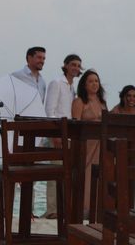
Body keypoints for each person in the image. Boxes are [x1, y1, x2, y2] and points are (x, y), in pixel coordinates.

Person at [43, 53, 82, 219]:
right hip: (58, 135)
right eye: (73, 64)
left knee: (66, 173)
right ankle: (52, 210)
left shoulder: (73, 88)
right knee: (55, 172)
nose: (75, 68)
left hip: (70, 136)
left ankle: (63, 208)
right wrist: (55, 135)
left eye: (78, 65)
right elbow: (50, 110)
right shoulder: (56, 83)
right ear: (65, 65)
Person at [71, 69, 107, 217]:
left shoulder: (102, 102)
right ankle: (82, 208)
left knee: (99, 174)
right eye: (91, 81)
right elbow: (75, 124)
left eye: (96, 81)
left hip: (101, 143)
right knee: (85, 174)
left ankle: (97, 207)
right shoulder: (79, 101)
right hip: (86, 144)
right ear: (84, 85)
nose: (94, 84)